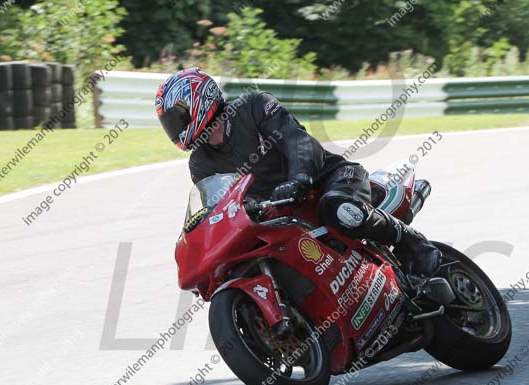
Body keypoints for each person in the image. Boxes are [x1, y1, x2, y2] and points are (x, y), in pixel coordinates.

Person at [155, 67, 441, 276]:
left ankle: (413, 243)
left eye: (176, 119)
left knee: (340, 210)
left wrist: (299, 177)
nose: (174, 129)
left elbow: (296, 140)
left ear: (198, 100)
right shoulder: (201, 164)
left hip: (327, 179)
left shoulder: (254, 106)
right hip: (282, 217)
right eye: (169, 123)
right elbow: (218, 207)